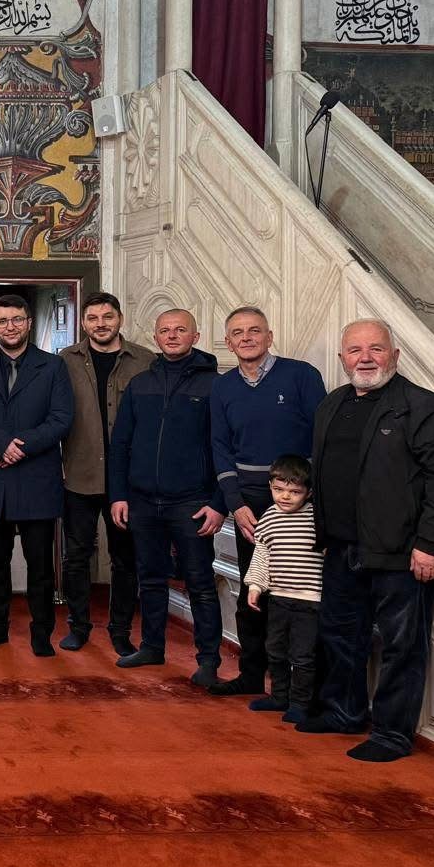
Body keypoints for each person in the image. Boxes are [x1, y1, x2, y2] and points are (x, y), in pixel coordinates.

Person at [303, 319, 434, 762]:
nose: (365, 358)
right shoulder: (332, 404)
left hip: (401, 552)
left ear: (394, 355)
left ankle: (392, 735)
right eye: (355, 350)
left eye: (376, 348)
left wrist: (432, 544)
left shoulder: (427, 408)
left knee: (401, 646)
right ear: (342, 359)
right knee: (341, 636)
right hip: (341, 547)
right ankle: (343, 712)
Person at [208, 306, 326, 697]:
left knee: (298, 594)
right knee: (254, 588)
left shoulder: (302, 376)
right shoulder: (222, 387)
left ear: (269, 336)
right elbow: (220, 447)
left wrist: (303, 496)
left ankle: (299, 688)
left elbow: (322, 440)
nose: (246, 338)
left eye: (254, 330)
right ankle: (252, 675)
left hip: (298, 502)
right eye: (238, 333)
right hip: (250, 503)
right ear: (228, 343)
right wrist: (235, 503)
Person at [108, 309, 227, 686]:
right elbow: (120, 444)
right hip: (142, 501)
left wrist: (219, 502)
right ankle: (152, 647)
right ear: (156, 337)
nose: (172, 336)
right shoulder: (140, 383)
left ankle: (208, 660)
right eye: (164, 330)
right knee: (150, 578)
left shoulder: (216, 386)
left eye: (180, 330)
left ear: (196, 336)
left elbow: (225, 448)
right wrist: (118, 495)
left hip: (192, 502)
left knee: (200, 583)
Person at [0, 294, 73, 656]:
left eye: (16, 320)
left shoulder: (53, 366)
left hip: (36, 482)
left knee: (40, 566)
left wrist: (19, 447)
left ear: (28, 322)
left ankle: (42, 634)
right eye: (1, 321)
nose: (9, 327)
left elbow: (61, 418)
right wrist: (1, 446)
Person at [58, 291, 153, 655]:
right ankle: (78, 627)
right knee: (76, 557)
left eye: (107, 317)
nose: (101, 324)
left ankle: (120, 631)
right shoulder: (64, 361)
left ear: (120, 319)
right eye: (93, 318)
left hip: (127, 482)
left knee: (125, 559)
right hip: (79, 476)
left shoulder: (145, 361)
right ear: (83, 323)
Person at [243, 454, 321, 724]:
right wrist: (255, 586)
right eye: (278, 489)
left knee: (303, 655)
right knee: (275, 650)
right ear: (270, 486)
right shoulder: (269, 517)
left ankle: (300, 704)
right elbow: (262, 554)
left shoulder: (316, 517)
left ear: (308, 492)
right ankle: (279, 696)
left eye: (294, 492)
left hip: (310, 601)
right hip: (278, 598)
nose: (285, 496)